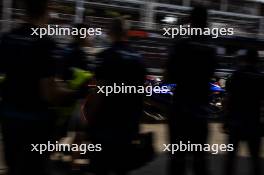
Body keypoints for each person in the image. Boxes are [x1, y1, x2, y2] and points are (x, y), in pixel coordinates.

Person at [0, 0, 75, 174]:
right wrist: (73, 93)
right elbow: (49, 94)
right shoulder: (46, 43)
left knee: (13, 168)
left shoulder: (8, 38)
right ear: (47, 10)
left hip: (9, 119)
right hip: (35, 124)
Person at [88, 17, 146, 175]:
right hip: (128, 127)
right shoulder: (139, 59)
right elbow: (141, 95)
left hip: (104, 126)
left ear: (110, 33)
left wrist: (89, 121)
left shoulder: (104, 56)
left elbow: (96, 93)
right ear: (127, 33)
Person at [166, 6, 216, 175]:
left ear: (190, 21)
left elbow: (168, 78)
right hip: (201, 111)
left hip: (180, 110)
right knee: (199, 160)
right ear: (206, 22)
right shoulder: (211, 49)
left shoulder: (181, 45)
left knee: (177, 160)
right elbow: (211, 75)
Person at [224, 49, 263, 175]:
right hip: (254, 122)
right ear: (257, 61)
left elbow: (228, 99)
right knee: (255, 159)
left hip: (236, 121)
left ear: (245, 59)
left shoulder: (236, 74)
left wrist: (226, 120)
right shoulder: (260, 77)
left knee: (230, 159)